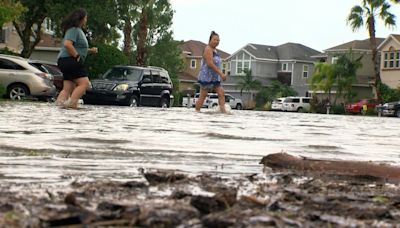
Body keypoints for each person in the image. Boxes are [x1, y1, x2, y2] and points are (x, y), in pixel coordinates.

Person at [55, 8, 98, 109]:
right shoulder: (74, 30)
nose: (86, 20)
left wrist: (90, 50)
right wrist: (76, 55)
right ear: (81, 19)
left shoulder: (77, 31)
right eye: (86, 18)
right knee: (84, 83)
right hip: (70, 60)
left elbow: (78, 47)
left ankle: (58, 108)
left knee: (67, 88)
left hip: (65, 61)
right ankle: (71, 105)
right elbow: (67, 44)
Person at [195, 31, 228, 113]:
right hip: (206, 76)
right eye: (215, 40)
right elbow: (210, 64)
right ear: (210, 40)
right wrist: (221, 73)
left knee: (221, 93)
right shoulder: (208, 49)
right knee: (203, 96)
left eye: (218, 40)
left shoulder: (215, 50)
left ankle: (223, 111)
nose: (217, 42)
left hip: (214, 77)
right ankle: (196, 112)